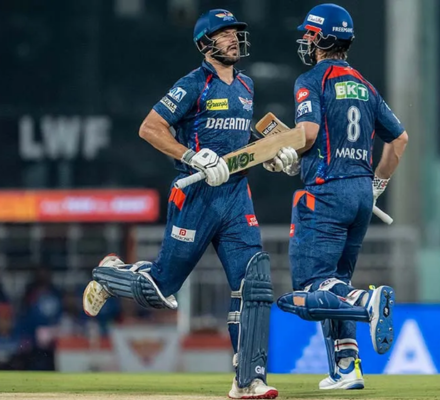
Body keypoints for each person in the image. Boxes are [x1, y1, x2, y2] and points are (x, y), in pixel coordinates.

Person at [82, 8, 297, 399]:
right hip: (195, 196)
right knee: (161, 288)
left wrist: (270, 154)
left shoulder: (246, 85)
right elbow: (150, 128)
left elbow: (241, 143)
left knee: (254, 280)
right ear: (204, 43)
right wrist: (192, 156)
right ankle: (109, 275)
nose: (233, 38)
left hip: (235, 197)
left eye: (235, 32)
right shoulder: (192, 84)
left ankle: (248, 379)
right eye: (224, 33)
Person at [272, 3, 409, 391]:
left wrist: (284, 152)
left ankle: (366, 302)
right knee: (334, 285)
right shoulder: (365, 85)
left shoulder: (311, 79)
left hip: (326, 192)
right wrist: (377, 187)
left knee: (312, 285)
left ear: (322, 38)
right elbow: (399, 140)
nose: (305, 40)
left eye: (309, 34)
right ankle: (346, 367)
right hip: (361, 194)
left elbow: (308, 134)